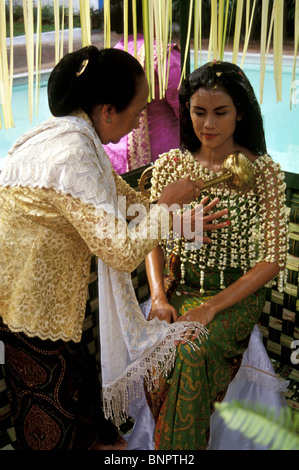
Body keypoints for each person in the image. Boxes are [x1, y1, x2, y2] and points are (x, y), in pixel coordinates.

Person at [0, 46, 225, 451]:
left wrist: (179, 220)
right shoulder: (72, 152)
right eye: (137, 111)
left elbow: (123, 203)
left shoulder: (75, 136)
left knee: (96, 431)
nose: (140, 120)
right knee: (57, 438)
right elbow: (120, 251)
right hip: (27, 315)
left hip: (50, 313)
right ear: (107, 110)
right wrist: (167, 205)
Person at [143, 60, 289, 450]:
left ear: (240, 112)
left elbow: (273, 257)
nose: (208, 124)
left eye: (220, 112)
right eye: (199, 112)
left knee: (189, 349)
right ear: (186, 110)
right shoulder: (171, 166)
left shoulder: (263, 173)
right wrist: (158, 296)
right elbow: (150, 240)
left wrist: (211, 308)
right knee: (159, 342)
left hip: (233, 297)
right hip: (177, 287)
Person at [103, 0, 181, 173]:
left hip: (117, 157)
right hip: (161, 160)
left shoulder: (113, 54)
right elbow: (187, 110)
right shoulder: (163, 55)